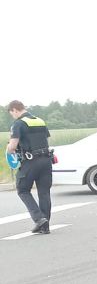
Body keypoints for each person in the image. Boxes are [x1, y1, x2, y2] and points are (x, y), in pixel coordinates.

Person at [5, 100, 53, 234]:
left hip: (30, 162)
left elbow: (13, 147)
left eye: (11, 113)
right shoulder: (40, 121)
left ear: (14, 110)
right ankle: (45, 224)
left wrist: (8, 148)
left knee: (22, 189)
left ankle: (39, 219)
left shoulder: (18, 124)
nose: (13, 116)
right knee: (44, 192)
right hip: (46, 160)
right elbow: (47, 140)